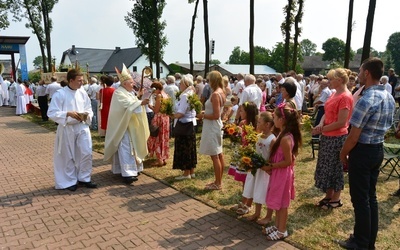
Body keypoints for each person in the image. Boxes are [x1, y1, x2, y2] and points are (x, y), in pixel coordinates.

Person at [338, 58, 395, 250]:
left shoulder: (366, 100)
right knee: (370, 197)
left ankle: (361, 242)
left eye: (361, 71)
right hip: (377, 149)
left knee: (360, 199)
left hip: (362, 152)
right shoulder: (389, 97)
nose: (359, 74)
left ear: (367, 73)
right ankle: (367, 240)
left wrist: (343, 154)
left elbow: (354, 136)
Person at [47, 69, 96, 191]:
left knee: (86, 152)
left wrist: (87, 115)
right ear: (71, 80)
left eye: (82, 80)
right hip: (67, 128)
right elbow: (51, 112)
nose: (82, 82)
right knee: (67, 155)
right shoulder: (60, 94)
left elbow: (89, 108)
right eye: (79, 80)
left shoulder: (82, 93)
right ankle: (69, 181)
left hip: (82, 126)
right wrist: (67, 113)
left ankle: (84, 178)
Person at [312, 68, 353, 210]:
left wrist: (322, 129)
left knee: (335, 167)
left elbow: (342, 122)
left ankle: (336, 198)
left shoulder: (346, 97)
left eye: (331, 79)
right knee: (327, 167)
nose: (328, 82)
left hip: (337, 138)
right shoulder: (334, 93)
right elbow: (326, 112)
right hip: (328, 136)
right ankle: (329, 195)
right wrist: (321, 124)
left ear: (339, 80)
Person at [262, 102, 302, 241]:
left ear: (282, 120)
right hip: (279, 173)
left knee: (282, 204)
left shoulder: (285, 138)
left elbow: (288, 161)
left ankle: (282, 230)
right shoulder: (283, 134)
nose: (273, 120)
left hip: (282, 174)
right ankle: (278, 225)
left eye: (275, 117)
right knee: (278, 202)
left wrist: (271, 166)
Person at [104, 64, 150, 185]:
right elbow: (127, 105)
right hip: (122, 126)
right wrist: (140, 102)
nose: (133, 84)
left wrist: (138, 97)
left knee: (132, 147)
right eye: (131, 82)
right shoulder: (119, 93)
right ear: (124, 84)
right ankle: (128, 173)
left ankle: (134, 168)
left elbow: (132, 101)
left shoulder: (128, 92)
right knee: (126, 148)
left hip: (130, 125)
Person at [242, 112, 276, 225]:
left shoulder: (272, 139)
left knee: (266, 191)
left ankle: (268, 215)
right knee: (257, 190)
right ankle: (257, 213)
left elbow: (273, 157)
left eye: (259, 122)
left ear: (267, 124)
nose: (257, 124)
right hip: (256, 169)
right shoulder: (258, 136)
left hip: (265, 171)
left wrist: (266, 165)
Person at [198, 71, 226, 190]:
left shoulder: (215, 94)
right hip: (215, 125)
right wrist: (204, 113)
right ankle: (218, 180)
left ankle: (218, 183)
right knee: (219, 154)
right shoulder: (221, 92)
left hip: (213, 126)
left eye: (209, 80)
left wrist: (202, 116)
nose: (208, 82)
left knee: (215, 155)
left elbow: (216, 115)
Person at [172, 75, 197, 180]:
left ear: (185, 84)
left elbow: (181, 113)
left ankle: (186, 173)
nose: (179, 85)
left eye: (181, 83)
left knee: (184, 148)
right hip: (191, 123)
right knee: (190, 148)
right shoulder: (192, 93)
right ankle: (191, 171)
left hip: (184, 124)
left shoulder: (185, 95)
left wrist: (171, 115)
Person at [147, 81, 170, 166]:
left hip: (159, 118)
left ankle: (160, 159)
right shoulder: (166, 95)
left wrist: (150, 106)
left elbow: (156, 110)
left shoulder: (159, 96)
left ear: (157, 89)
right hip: (165, 118)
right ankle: (164, 158)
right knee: (164, 138)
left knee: (156, 138)